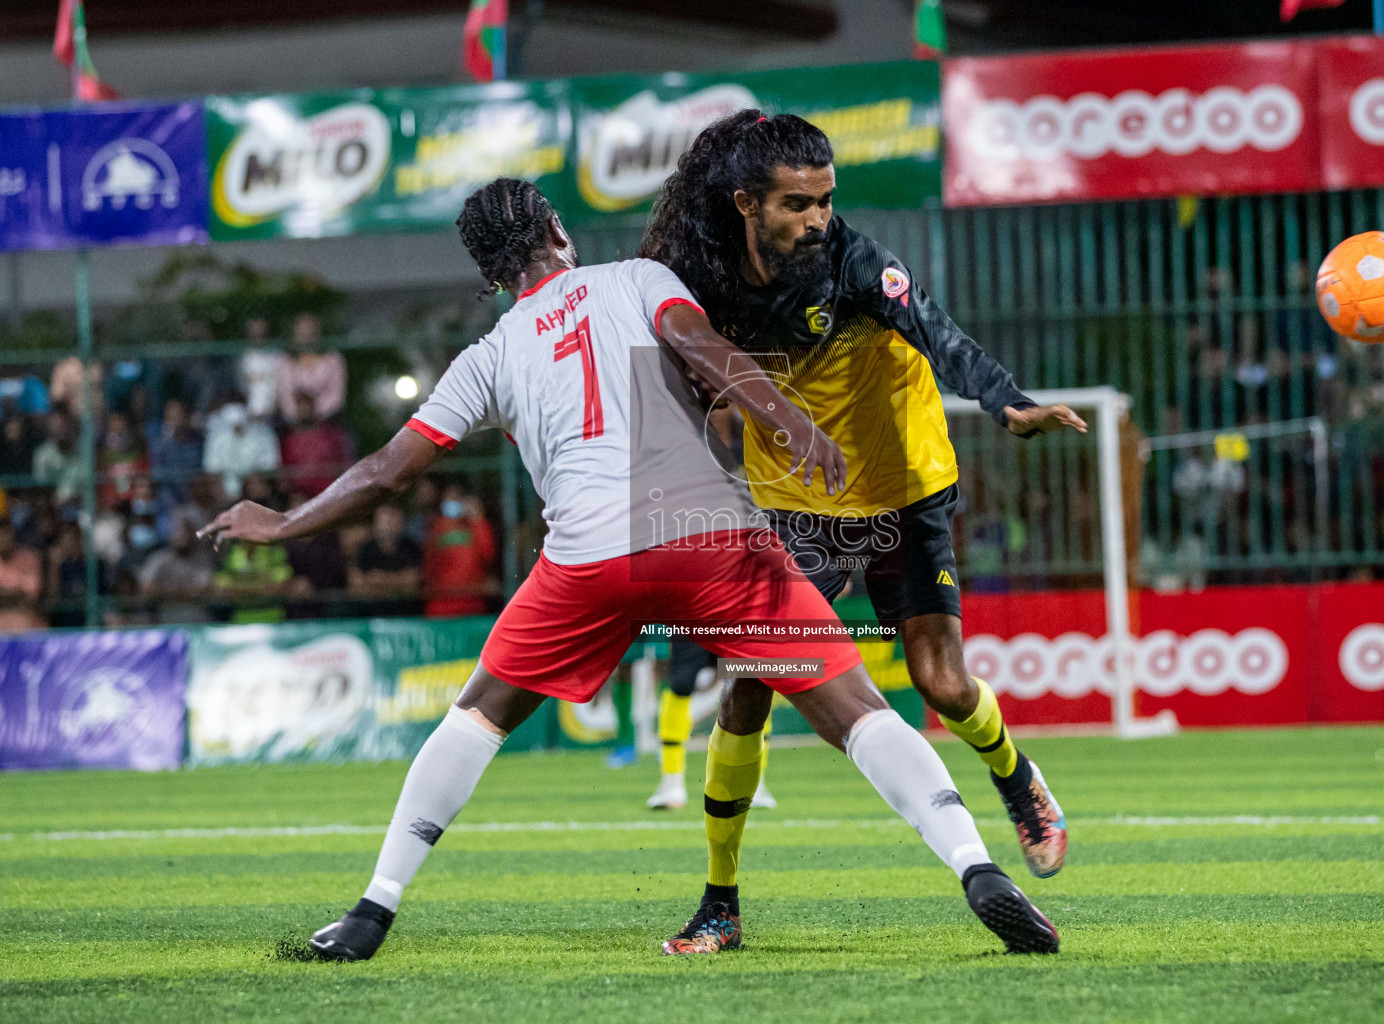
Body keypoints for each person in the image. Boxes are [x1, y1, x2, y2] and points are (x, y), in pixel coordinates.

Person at [200, 177, 1058, 963]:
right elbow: (707, 349)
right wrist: (790, 420)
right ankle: (975, 865)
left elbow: (387, 471)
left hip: (586, 562)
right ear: (557, 231)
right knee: (854, 710)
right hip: (713, 541)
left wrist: (282, 523)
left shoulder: (487, 357)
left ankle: (372, 908)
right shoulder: (638, 279)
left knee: (478, 716)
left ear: (491, 276)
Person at [638, 111, 1084, 911]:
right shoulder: (701, 271)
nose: (819, 220)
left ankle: (1017, 781)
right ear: (746, 203)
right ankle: (719, 898)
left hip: (900, 484)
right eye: (798, 205)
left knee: (940, 684)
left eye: (826, 200)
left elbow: (935, 330)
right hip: (795, 498)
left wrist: (1004, 400)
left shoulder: (853, 261)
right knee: (749, 681)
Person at [647, 639, 775, 811]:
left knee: (752, 680)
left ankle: (754, 783)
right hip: (694, 618)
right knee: (680, 684)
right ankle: (671, 784)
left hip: (736, 617)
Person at [421, 483, 496, 617]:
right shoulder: (434, 527)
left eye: (456, 499)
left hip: (472, 603)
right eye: (449, 498)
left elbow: (488, 554)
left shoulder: (475, 525)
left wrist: (478, 519)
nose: (452, 502)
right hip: (440, 605)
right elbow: (429, 563)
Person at [348, 505, 422, 617]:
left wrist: (378, 579)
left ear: (401, 522)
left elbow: (413, 582)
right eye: (384, 521)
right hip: (370, 615)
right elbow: (355, 584)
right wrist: (398, 583)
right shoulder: (365, 549)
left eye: (392, 520)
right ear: (375, 523)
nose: (388, 525)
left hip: (405, 615)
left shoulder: (411, 548)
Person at [280, 392, 354, 499]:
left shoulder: (331, 436)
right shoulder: (287, 439)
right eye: (300, 406)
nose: (304, 409)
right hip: (299, 494)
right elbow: (284, 469)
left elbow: (343, 462)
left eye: (307, 405)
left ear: (313, 407)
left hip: (329, 491)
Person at [277, 312, 347, 423]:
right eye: (302, 335)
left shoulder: (333, 359)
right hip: (293, 422)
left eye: (310, 334)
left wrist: (314, 413)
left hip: (327, 420)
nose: (306, 339)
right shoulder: (286, 361)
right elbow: (284, 394)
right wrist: (299, 415)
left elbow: (336, 395)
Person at [204, 401, 280, 500]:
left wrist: (254, 480)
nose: (237, 429)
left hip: (256, 486)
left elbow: (270, 465)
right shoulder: (216, 437)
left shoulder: (264, 434)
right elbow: (212, 469)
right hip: (227, 491)